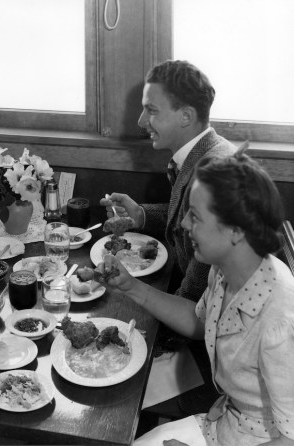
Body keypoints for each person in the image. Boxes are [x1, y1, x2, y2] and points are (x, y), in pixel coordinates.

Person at [102, 151, 294, 445]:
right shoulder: (225, 267)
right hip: (224, 422)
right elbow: (199, 320)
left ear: (235, 231)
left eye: (196, 216)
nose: (185, 225)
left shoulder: (280, 318)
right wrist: (131, 287)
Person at [101, 60, 237, 415]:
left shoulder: (212, 171)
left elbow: (193, 304)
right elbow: (184, 218)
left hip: (208, 357)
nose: (141, 122)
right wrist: (142, 215)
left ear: (185, 116)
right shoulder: (205, 152)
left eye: (151, 111)